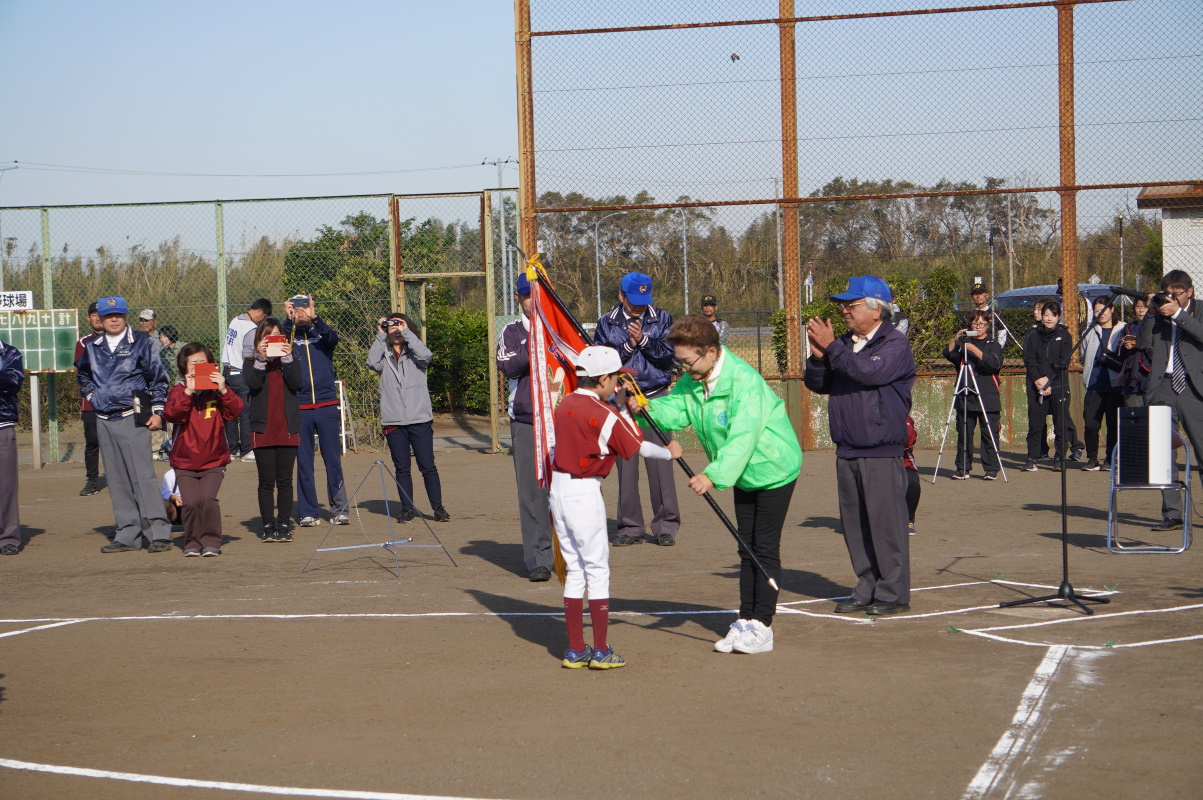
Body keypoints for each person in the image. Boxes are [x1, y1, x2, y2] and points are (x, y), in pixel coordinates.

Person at [634, 315, 802, 654]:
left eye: (687, 361)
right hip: (743, 473)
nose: (683, 369)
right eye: (679, 362)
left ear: (711, 352)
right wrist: (641, 407)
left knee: (763, 546)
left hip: (773, 468)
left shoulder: (745, 382)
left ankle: (762, 625)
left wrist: (712, 475)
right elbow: (675, 409)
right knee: (745, 546)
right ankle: (746, 618)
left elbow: (743, 437)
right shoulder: (694, 379)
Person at [553, 346, 681, 669]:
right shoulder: (604, 413)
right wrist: (670, 452)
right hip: (584, 492)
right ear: (603, 379)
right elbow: (636, 446)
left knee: (575, 569)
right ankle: (600, 650)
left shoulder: (566, 402)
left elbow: (611, 427)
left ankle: (575, 649)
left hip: (559, 491)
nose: (618, 384)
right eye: (615, 378)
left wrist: (619, 406)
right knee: (597, 570)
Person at [805, 276, 915, 616]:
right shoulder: (842, 344)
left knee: (886, 527)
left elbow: (869, 373)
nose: (844, 311)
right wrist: (818, 358)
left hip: (880, 450)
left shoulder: (895, 344)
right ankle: (866, 586)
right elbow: (820, 384)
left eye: (850, 305)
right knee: (855, 527)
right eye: (843, 305)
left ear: (876, 309)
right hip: (847, 449)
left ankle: (892, 593)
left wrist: (832, 349)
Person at [76, 296, 173, 553]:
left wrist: (158, 411)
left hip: (133, 416)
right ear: (100, 319)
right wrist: (92, 396)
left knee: (143, 476)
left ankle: (158, 532)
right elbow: (83, 374)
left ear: (125, 316)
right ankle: (128, 533)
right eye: (108, 316)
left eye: (118, 315)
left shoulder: (141, 342)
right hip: (104, 418)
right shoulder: (92, 345)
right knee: (116, 479)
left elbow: (158, 379)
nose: (114, 319)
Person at [593, 272, 680, 546]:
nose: (639, 306)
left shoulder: (662, 318)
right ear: (621, 296)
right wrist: (629, 346)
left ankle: (666, 526)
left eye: (643, 300)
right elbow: (601, 362)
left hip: (656, 398)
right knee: (626, 466)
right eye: (633, 300)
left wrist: (644, 341)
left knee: (661, 465)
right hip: (621, 400)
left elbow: (669, 358)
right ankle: (630, 527)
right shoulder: (606, 322)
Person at [497, 273, 555, 581]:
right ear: (519, 298)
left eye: (538, 295)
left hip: (563, 421)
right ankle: (539, 560)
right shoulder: (512, 331)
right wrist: (534, 342)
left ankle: (572, 555)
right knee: (532, 493)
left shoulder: (560, 329)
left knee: (570, 490)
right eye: (527, 295)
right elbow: (508, 366)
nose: (533, 301)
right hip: (527, 421)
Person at [1137, 270, 1203, 531]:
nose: (1172, 298)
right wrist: (1151, 314)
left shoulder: (1199, 310)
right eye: (1168, 293)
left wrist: (1178, 315)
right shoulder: (1158, 314)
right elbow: (1143, 343)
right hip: (1163, 386)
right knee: (1162, 453)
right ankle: (1173, 513)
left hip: (1194, 387)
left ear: (1190, 292)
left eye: (1177, 294)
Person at [368, 312, 449, 523]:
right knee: (402, 468)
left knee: (427, 466)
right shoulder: (383, 354)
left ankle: (438, 508)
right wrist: (379, 335)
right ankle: (406, 509)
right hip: (394, 421)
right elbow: (371, 363)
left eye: (400, 327)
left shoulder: (415, 352)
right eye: (391, 327)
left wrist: (408, 333)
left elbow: (426, 357)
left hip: (419, 419)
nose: (396, 331)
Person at [163, 343, 243, 556]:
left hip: (214, 459)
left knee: (207, 499)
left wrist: (223, 389)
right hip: (185, 460)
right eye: (194, 363)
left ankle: (210, 541)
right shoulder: (178, 390)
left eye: (203, 362)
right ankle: (192, 542)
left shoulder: (217, 391)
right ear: (184, 366)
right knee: (190, 503)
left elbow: (236, 411)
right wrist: (188, 391)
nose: (198, 367)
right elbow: (171, 414)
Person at [283, 294, 349, 527]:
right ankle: (308, 512)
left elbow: (333, 339)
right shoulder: (288, 334)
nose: (300, 313)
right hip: (300, 406)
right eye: (296, 309)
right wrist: (288, 321)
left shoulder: (320, 333)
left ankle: (339, 509)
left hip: (326, 404)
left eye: (304, 308)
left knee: (333, 460)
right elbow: (278, 348)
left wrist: (316, 318)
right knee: (304, 462)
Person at [245, 317, 301, 542]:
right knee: (266, 480)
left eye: (276, 335)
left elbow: (297, 383)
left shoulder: (291, 359)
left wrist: (287, 358)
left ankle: (284, 524)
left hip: (287, 427)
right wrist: (261, 358)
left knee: (285, 479)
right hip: (263, 428)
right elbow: (253, 384)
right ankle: (268, 525)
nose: (272, 340)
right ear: (259, 340)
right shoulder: (251, 362)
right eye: (266, 336)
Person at [945, 310, 1003, 480]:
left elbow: (994, 364)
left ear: (987, 326)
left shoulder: (993, 344)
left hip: (987, 394)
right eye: (975, 323)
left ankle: (991, 468)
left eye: (982, 323)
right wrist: (956, 339)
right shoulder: (964, 343)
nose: (978, 326)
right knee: (964, 433)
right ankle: (962, 468)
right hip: (966, 394)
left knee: (989, 433)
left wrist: (973, 349)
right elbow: (949, 355)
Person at [1022, 300, 1074, 472]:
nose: (1049, 318)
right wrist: (1039, 380)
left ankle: (1060, 458)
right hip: (1037, 386)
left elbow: (1063, 362)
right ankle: (1032, 458)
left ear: (1058, 317)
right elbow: (1030, 360)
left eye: (1053, 315)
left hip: (1058, 385)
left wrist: (1049, 381)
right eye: (1046, 315)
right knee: (1035, 424)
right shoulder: (1033, 336)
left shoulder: (1064, 336)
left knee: (1060, 424)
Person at [221, 298, 272, 462]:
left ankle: (232, 449)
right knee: (245, 412)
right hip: (241, 373)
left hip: (227, 372)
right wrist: (262, 355)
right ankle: (246, 450)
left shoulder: (235, 320)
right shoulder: (250, 327)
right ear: (259, 312)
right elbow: (248, 354)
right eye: (263, 317)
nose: (262, 320)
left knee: (230, 411)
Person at [1079, 296, 1125, 471]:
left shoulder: (1123, 329)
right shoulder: (1089, 331)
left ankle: (1110, 459)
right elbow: (1083, 354)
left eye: (1104, 310)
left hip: (1115, 386)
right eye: (1097, 311)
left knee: (1113, 425)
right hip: (1093, 386)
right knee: (1091, 424)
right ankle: (1092, 459)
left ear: (1112, 309)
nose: (1101, 314)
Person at [76, 301, 105, 496]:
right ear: (88, 318)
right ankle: (92, 480)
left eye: (101, 314)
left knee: (118, 442)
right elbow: (83, 370)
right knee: (92, 441)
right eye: (94, 315)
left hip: (117, 401)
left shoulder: (119, 339)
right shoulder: (83, 342)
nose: (98, 318)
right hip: (92, 401)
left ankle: (123, 478)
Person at [0, 338, 24, 555]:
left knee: (5, 485)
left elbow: (12, 383)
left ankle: (7, 538)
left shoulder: (9, 353)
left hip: (2, 424)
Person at [153, 324, 182, 461]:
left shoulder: (182, 348)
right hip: (177, 384)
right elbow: (166, 372)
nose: (162, 339)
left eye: (164, 336)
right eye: (160, 337)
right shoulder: (164, 352)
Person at [1118, 295, 1152, 407]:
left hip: (1151, 376)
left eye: (1145, 306)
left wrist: (1138, 344)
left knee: (1154, 415)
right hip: (1132, 378)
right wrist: (1126, 346)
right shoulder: (1128, 327)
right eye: (1138, 306)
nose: (1141, 310)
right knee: (1134, 414)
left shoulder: (1158, 326)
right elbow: (1120, 353)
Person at [968, 283, 1009, 348]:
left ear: (987, 295)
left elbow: (1002, 331)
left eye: (980, 293)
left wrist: (998, 347)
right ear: (972, 296)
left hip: (991, 347)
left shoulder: (996, 314)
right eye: (975, 294)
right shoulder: (968, 316)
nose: (978, 296)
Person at [903, 416, 920, 535]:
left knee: (911, 481)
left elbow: (908, 441)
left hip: (902, 462)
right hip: (874, 461)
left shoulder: (905, 418)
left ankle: (908, 520)